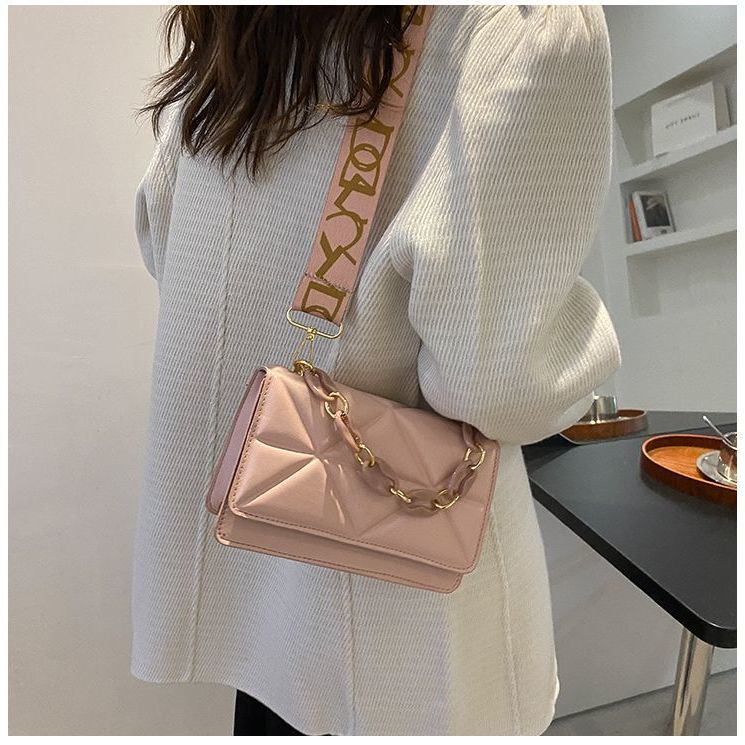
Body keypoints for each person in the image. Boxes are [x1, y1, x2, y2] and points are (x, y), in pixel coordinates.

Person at [131, 5, 622, 737]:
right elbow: (497, 383)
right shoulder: (513, 23)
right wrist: (590, 344)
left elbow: (162, 241)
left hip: (259, 607)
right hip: (408, 632)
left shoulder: (231, 41)